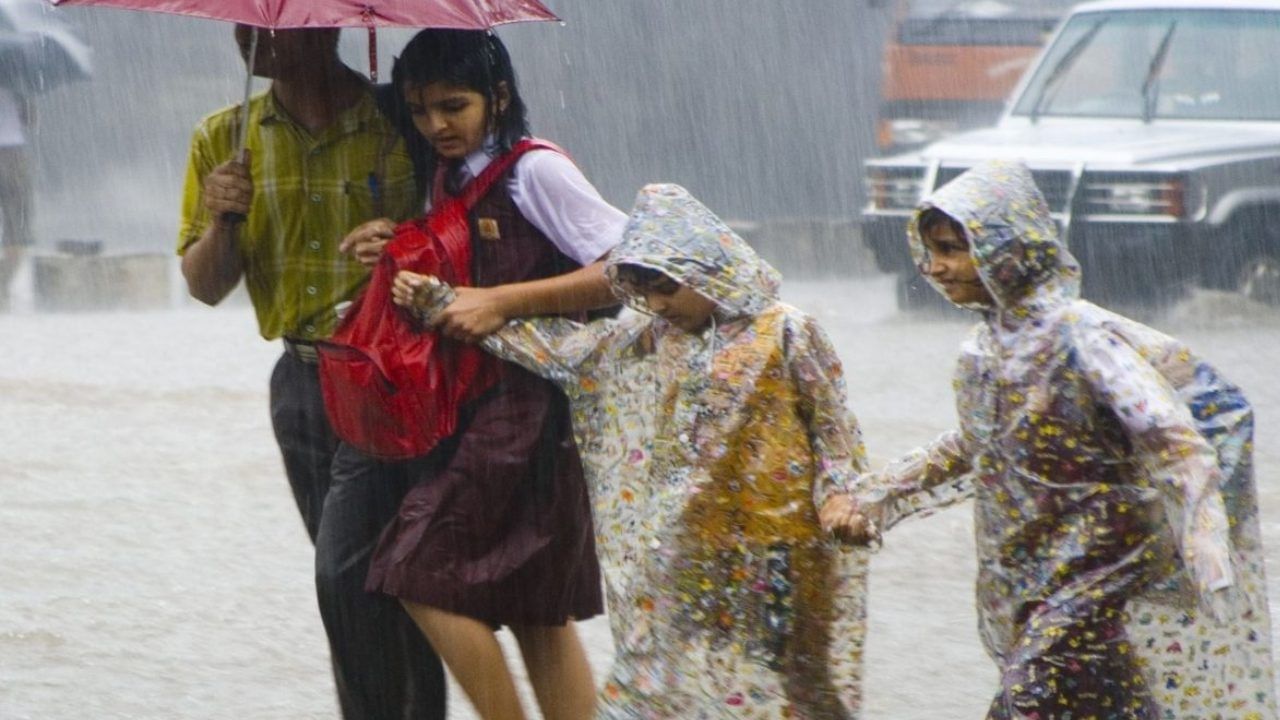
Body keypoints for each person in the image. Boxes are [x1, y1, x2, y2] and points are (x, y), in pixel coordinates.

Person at [394, 183, 871, 718]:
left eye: (668, 285)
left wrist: (842, 499)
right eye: (645, 291)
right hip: (686, 553)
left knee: (801, 691)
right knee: (653, 686)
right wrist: (441, 302)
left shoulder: (787, 331)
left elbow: (836, 433)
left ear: (707, 265)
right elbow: (555, 348)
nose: (660, 303)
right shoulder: (646, 341)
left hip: (784, 552)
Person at [822, 160, 1277, 719]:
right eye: (930, 252)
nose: (935, 268)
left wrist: (1206, 546)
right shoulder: (984, 346)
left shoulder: (1081, 337)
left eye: (950, 249)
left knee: (1033, 694)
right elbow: (977, 444)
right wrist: (879, 492)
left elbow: (1172, 438)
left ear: (1006, 249)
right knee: (1105, 701)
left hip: (1102, 564)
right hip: (1029, 567)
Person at [328, 29, 625, 720]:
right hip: (475, 408)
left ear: (498, 97)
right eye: (421, 109)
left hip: (530, 411)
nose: (436, 125)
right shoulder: (448, 175)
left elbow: (626, 270)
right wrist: (399, 239)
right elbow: (457, 269)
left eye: (453, 106)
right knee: (536, 608)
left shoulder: (535, 169)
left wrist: (501, 302)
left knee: (416, 570)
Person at [176, 25, 444, 720]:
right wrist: (224, 221)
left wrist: (404, 242)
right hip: (301, 380)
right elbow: (205, 286)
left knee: (366, 574)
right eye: (243, 21)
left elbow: (462, 239)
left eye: (273, 23)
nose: (249, 37)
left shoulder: (403, 121)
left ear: (327, 25)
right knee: (353, 581)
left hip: (395, 374)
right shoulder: (223, 139)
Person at [0, 85, 33, 310]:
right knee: (18, 229)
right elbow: (31, 119)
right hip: (14, 156)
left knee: (18, 228)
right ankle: (2, 285)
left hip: (14, 156)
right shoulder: (18, 81)